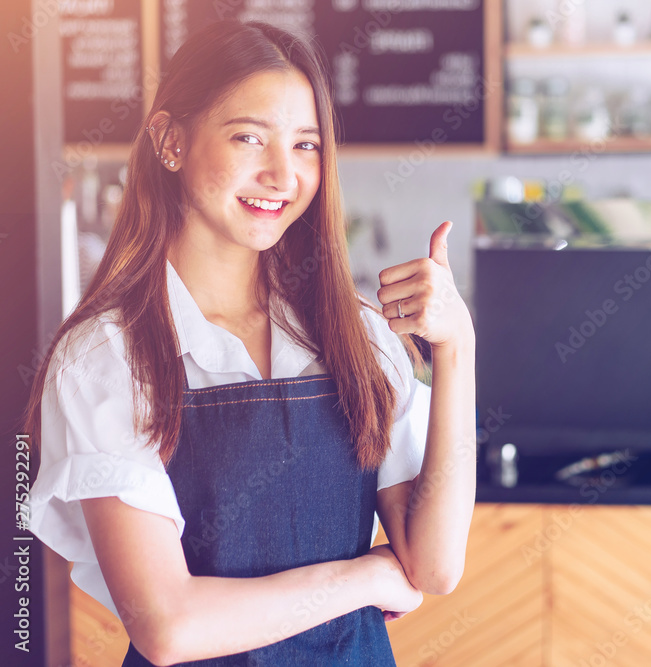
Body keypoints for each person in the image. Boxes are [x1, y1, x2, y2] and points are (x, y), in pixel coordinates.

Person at [24, 19, 476, 666]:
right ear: (170, 141)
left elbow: (433, 566)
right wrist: (365, 577)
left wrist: (457, 347)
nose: (282, 174)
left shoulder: (357, 336)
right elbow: (168, 626)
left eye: (306, 146)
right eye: (248, 137)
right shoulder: (107, 357)